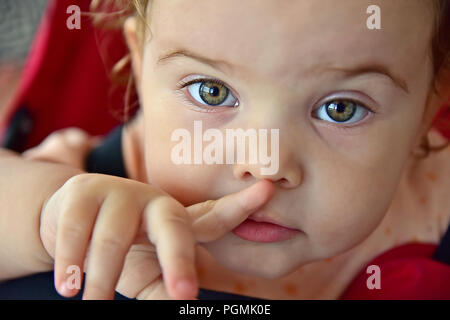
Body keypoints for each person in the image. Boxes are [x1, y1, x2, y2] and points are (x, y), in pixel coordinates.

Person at [1, 0, 450, 300]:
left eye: (341, 108)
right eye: (212, 92)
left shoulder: (436, 204)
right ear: (140, 64)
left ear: (429, 108)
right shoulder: (90, 179)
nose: (265, 163)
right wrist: (46, 217)